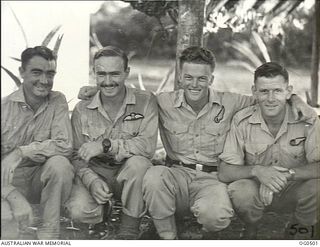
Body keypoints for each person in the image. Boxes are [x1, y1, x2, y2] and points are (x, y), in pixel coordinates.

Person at [78, 46, 313, 240]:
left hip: (213, 178)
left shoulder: (231, 102)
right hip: (177, 173)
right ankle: (168, 237)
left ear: (211, 78)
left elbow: (269, 96)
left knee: (216, 215)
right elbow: (128, 95)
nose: (194, 84)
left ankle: (208, 236)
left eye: (202, 78)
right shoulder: (162, 101)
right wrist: (96, 90)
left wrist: (296, 99)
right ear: (180, 77)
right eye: (188, 77)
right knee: (153, 175)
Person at [218, 62, 320, 239]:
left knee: (317, 187)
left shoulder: (307, 119)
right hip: (256, 188)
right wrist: (258, 171)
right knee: (239, 189)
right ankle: (251, 227)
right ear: (254, 91)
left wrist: (286, 174)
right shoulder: (242, 120)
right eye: (264, 91)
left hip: (294, 187)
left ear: (289, 91)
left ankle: (299, 227)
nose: (271, 98)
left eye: (277, 91)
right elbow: (225, 172)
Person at [66, 46, 158, 240]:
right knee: (79, 211)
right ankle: (101, 212)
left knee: (139, 164)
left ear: (127, 73)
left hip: (128, 172)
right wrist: (91, 181)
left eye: (115, 74)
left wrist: (105, 145)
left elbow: (147, 147)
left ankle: (129, 228)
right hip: (96, 171)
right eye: (102, 74)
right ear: (94, 74)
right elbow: (75, 154)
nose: (108, 82)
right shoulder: (82, 109)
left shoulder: (146, 101)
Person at [1, 46, 74, 239]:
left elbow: (65, 145)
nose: (44, 80)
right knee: (5, 219)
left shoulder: (57, 100)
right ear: (22, 72)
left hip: (40, 182)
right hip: (6, 183)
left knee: (60, 164)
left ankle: (49, 234)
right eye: (36, 72)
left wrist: (20, 152)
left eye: (50, 74)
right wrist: (13, 196)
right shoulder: (3, 108)